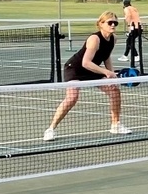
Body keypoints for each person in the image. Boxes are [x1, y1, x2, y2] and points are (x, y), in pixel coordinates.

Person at [44, 11, 130, 141]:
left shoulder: (113, 38)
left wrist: (112, 76)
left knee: (114, 91)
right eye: (109, 22)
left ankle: (115, 125)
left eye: (115, 23)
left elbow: (106, 57)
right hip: (75, 69)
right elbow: (85, 62)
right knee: (72, 98)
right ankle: (51, 129)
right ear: (100, 24)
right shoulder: (94, 39)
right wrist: (106, 72)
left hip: (92, 70)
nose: (113, 25)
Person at [120, 0, 142, 66]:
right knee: (129, 41)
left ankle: (136, 56)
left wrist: (129, 25)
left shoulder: (127, 9)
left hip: (134, 27)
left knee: (130, 42)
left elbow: (129, 16)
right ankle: (125, 56)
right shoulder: (134, 8)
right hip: (139, 27)